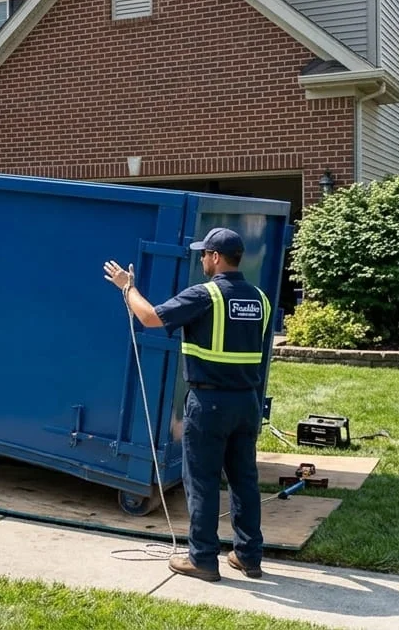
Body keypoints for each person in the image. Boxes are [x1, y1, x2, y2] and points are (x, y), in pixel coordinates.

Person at [103, 227, 271, 582]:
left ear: (215, 257)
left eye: (204, 255)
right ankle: (248, 557)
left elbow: (149, 318)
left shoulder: (206, 295)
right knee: (244, 481)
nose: (202, 261)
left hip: (210, 403)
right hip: (247, 402)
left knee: (203, 481)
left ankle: (203, 559)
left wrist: (126, 287)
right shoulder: (260, 299)